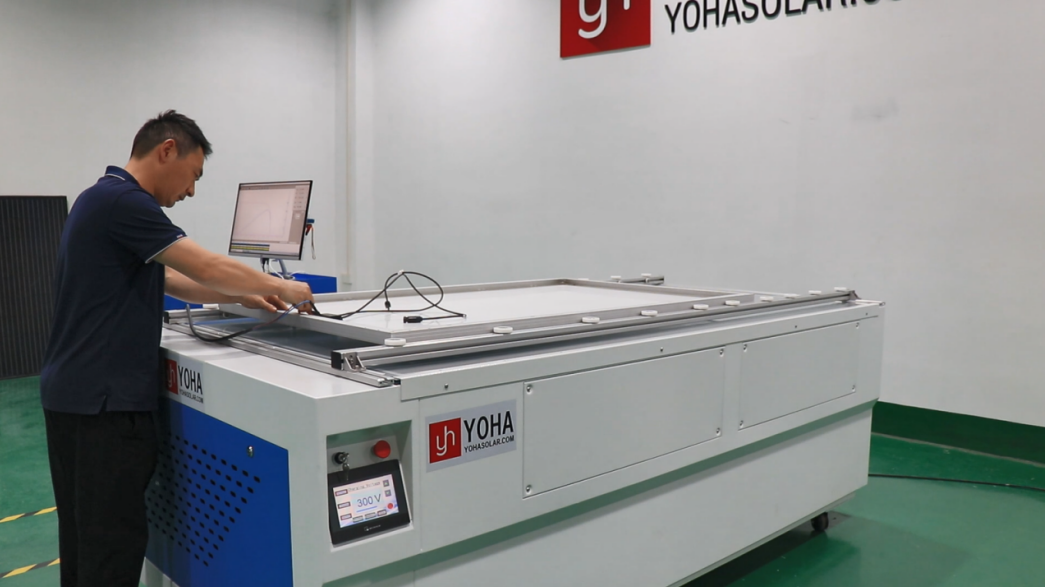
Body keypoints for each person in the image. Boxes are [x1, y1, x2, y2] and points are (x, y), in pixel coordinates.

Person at [40, 110, 314, 587]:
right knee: (110, 551)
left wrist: (241, 295)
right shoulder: (125, 202)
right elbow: (203, 264)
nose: (190, 191)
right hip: (106, 410)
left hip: (73, 400)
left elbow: (172, 278)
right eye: (194, 175)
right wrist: (280, 286)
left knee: (85, 544)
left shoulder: (97, 198)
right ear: (167, 150)